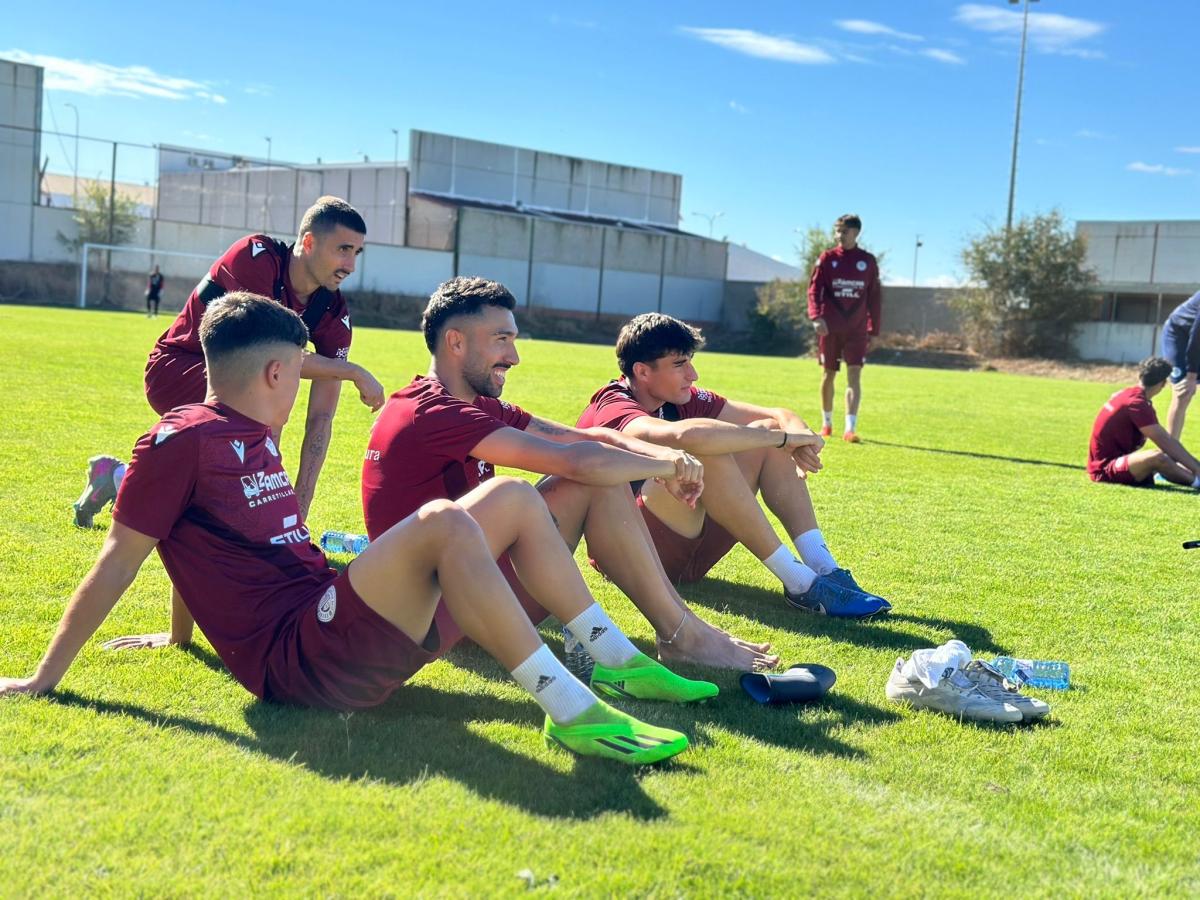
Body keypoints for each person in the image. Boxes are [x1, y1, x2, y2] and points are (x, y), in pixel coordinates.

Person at [5, 293, 713, 767]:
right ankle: (568, 705)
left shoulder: (246, 433)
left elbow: (193, 545)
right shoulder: (179, 440)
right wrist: (44, 678)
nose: (313, 382)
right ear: (278, 371)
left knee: (516, 502)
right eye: (307, 370)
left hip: (336, 621)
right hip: (302, 660)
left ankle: (609, 654)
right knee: (442, 522)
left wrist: (180, 637)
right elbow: (122, 557)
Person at [362, 276, 778, 672]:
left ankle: (682, 630)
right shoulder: (434, 411)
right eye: (501, 340)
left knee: (594, 476)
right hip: (444, 610)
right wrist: (668, 465)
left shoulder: (466, 403)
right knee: (587, 479)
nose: (514, 356)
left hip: (470, 585)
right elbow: (579, 462)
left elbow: (589, 436)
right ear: (455, 342)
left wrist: (663, 455)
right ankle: (683, 636)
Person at [73, 196, 386, 529]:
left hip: (236, 383)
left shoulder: (333, 312)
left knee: (214, 498)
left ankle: (116, 478)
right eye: (343, 250)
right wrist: (352, 371)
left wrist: (300, 513)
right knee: (267, 385)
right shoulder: (257, 258)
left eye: (356, 253)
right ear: (308, 242)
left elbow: (321, 417)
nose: (350, 266)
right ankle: (252, 527)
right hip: (177, 369)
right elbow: (266, 355)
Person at [576, 312, 891, 619]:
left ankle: (825, 568)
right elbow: (682, 435)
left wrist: (801, 436)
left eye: (690, 361)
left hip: (688, 549)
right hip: (631, 555)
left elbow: (776, 414)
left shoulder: (681, 398)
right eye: (679, 364)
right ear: (642, 372)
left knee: (764, 434)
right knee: (706, 448)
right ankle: (802, 585)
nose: (693, 374)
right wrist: (781, 439)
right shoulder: (613, 404)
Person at [807, 213, 881, 443]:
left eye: (844, 231)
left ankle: (850, 428)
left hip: (857, 330)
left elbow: (875, 298)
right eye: (837, 231)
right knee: (828, 374)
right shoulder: (827, 258)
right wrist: (816, 317)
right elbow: (813, 290)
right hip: (829, 329)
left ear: (856, 232)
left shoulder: (867, 261)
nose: (840, 235)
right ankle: (826, 424)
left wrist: (874, 330)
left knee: (854, 375)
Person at [1087, 356, 1200, 489]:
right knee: (1158, 457)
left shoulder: (1128, 394)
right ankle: (1196, 482)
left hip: (1116, 461)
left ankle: (1195, 476)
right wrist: (1196, 467)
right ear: (1163, 383)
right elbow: (1165, 441)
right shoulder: (1136, 403)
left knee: (1168, 457)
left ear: (1140, 375)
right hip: (1105, 469)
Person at [1160, 290, 1200, 439]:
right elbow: (1196, 337)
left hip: (1195, 339)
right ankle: (1170, 454)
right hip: (1179, 334)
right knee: (1183, 393)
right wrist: (1191, 377)